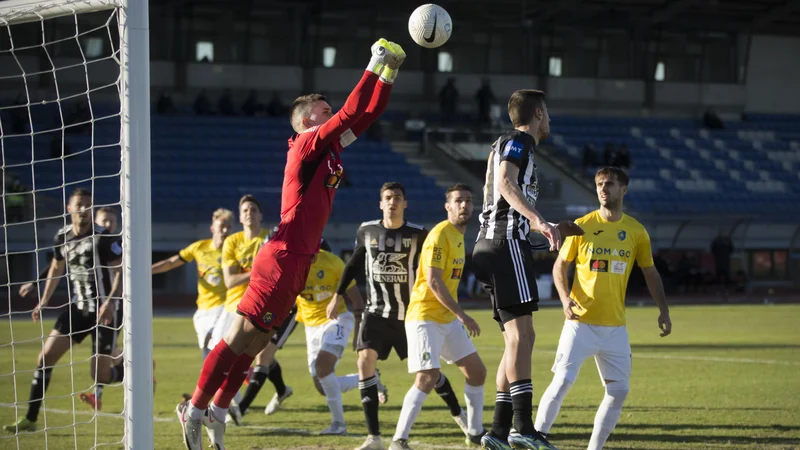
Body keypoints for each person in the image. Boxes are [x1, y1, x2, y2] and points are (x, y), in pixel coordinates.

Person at [176, 38, 406, 450]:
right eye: (323, 111)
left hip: (299, 260)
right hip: (281, 258)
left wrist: (390, 73)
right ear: (304, 122)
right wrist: (373, 61)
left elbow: (368, 114)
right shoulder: (307, 144)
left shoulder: (331, 150)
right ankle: (194, 410)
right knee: (237, 339)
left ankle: (218, 412)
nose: (331, 114)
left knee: (257, 343)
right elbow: (354, 109)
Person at [535, 167, 672, 449]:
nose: (603, 189)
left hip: (615, 328)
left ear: (624, 189)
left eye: (609, 184)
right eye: (599, 184)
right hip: (580, 323)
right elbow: (560, 265)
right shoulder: (580, 226)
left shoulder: (636, 231)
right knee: (562, 382)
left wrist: (664, 310)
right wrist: (564, 299)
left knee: (619, 390)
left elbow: (650, 272)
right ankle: (535, 438)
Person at [331, 182, 471, 450]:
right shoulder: (366, 230)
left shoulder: (420, 234)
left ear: (405, 203)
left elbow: (434, 270)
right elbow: (353, 266)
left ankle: (459, 414)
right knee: (364, 362)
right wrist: (338, 297)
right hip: (376, 313)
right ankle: (374, 437)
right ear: (380, 203)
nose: (392, 201)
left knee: (430, 374)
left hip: (411, 315)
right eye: (387, 197)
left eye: (397, 197)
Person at [471, 89, 560, 450]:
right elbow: (506, 182)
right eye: (548, 113)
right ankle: (523, 426)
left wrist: (548, 224)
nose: (550, 120)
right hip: (505, 244)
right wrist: (539, 221)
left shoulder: (510, 143)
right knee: (523, 337)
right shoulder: (518, 141)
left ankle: (497, 430)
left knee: (516, 340)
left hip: (493, 244)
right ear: (538, 113)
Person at [4, 189, 123, 433]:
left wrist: (110, 301)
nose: (84, 209)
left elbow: (121, 271)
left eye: (88, 205)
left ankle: (131, 369)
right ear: (69, 208)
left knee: (99, 375)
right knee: (44, 357)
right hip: (78, 309)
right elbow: (57, 268)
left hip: (105, 313)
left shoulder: (105, 239)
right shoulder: (63, 237)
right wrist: (44, 300)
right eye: (79, 205)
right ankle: (31, 418)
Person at [390, 184, 486, 450]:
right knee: (427, 377)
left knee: (477, 372)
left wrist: (455, 316)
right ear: (448, 206)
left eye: (468, 200)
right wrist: (462, 315)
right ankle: (399, 440)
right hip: (425, 316)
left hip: (446, 319)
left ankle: (476, 432)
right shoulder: (440, 234)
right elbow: (433, 281)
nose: (464, 205)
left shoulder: (458, 235)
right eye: (458, 201)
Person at [297, 246, 364, 435]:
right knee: (321, 385)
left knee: (323, 367)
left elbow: (357, 301)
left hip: (337, 319)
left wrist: (359, 333)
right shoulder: (291, 265)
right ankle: (368, 379)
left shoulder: (333, 263)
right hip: (311, 327)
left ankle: (338, 425)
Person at [151, 208, 234, 358]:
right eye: (221, 225)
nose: (225, 229)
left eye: (228, 226)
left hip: (226, 307)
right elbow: (171, 262)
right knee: (207, 350)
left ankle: (221, 378)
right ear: (212, 227)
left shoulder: (234, 250)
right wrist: (147, 271)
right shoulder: (199, 248)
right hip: (203, 309)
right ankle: (239, 375)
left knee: (216, 345)